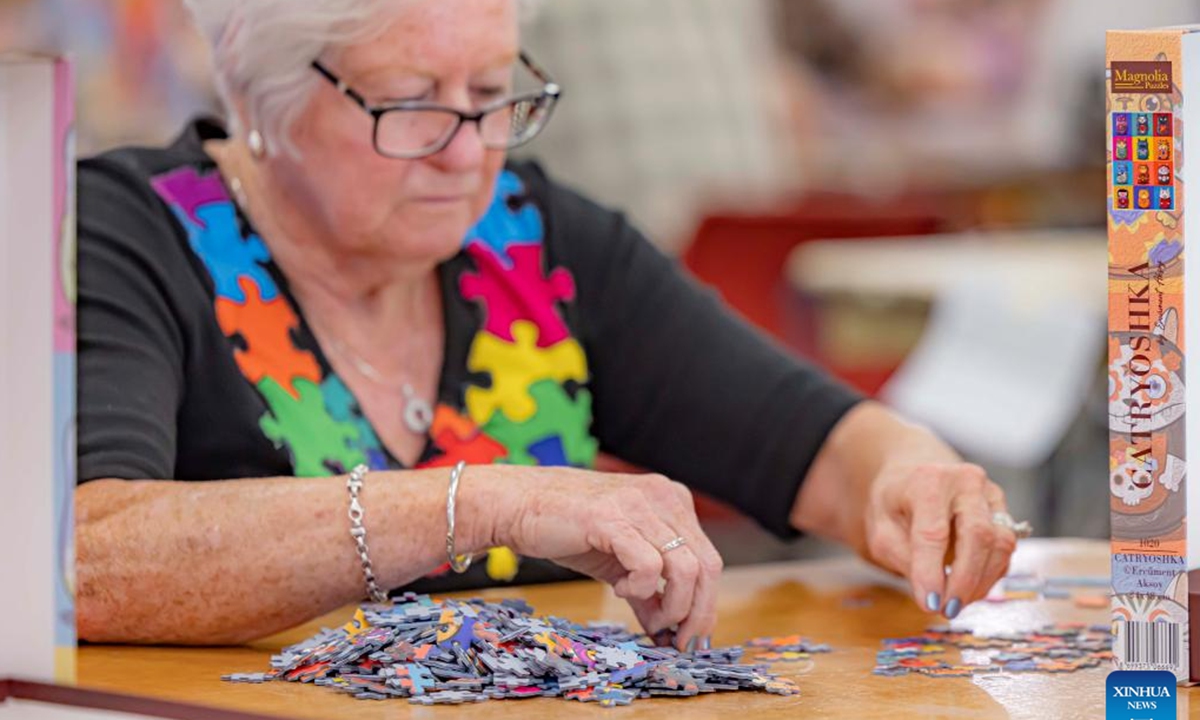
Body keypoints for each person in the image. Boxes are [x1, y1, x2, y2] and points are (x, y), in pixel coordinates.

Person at [75, 0, 1021, 649]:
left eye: (492, 97)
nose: (470, 152)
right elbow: (83, 555)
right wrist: (481, 503)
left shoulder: (532, 236)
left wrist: (909, 474)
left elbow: (809, 442)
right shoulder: (125, 237)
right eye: (410, 105)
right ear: (261, 97)